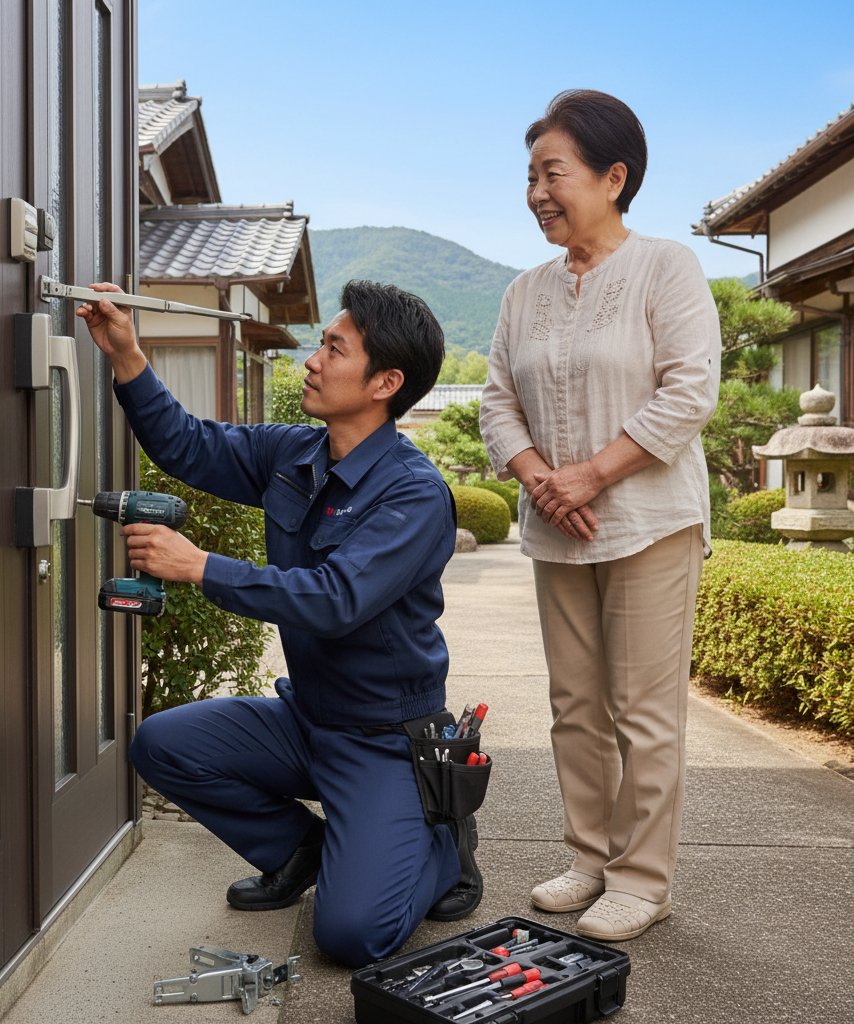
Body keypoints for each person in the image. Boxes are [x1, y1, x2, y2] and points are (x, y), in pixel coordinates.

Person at [76, 279, 481, 968]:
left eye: (335, 350)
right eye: (321, 344)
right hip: (307, 720)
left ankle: (441, 845)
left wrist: (199, 565)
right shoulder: (293, 454)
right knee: (161, 745)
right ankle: (301, 851)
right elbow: (188, 446)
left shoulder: (413, 494)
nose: (312, 362)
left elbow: (334, 599)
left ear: (385, 383)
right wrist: (125, 355)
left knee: (351, 936)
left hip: (383, 741)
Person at [479, 90, 720, 942]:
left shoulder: (667, 268)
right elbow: (497, 403)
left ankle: (643, 880)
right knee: (575, 705)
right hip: (558, 528)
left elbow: (690, 391)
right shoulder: (523, 293)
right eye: (530, 177)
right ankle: (589, 859)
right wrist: (544, 480)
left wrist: (591, 475)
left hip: (650, 521)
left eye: (554, 174)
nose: (538, 193)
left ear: (614, 178)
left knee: (644, 712)